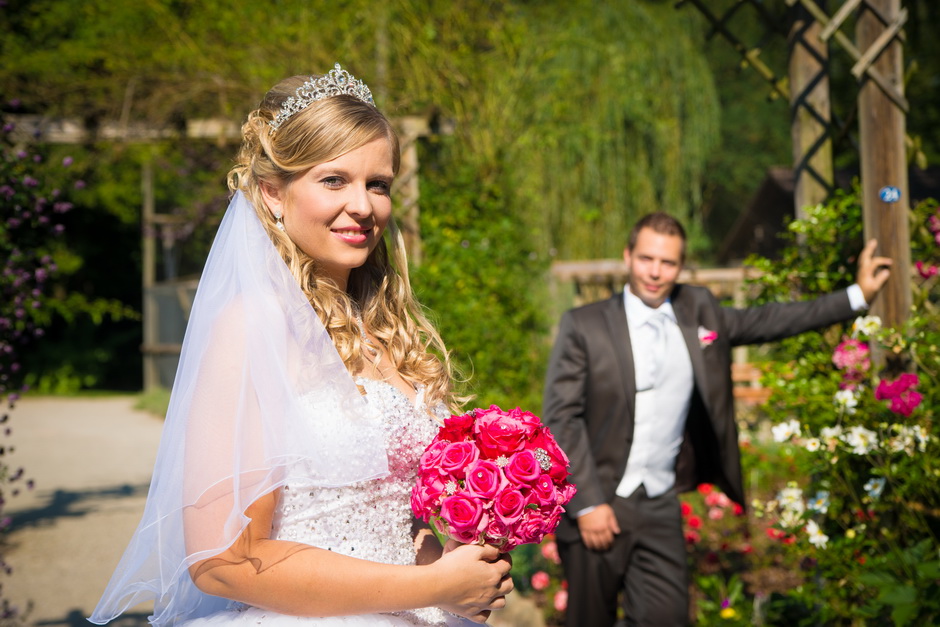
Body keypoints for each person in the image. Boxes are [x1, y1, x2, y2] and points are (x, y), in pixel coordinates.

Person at [90, 64, 512, 627]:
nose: (363, 206)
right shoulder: (251, 327)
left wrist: (462, 573)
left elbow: (393, 520)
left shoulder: (388, 328)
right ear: (272, 193)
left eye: (378, 184)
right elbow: (221, 561)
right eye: (334, 180)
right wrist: (428, 585)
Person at [542, 211, 891, 626]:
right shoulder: (584, 324)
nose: (655, 272)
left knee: (669, 618)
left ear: (681, 266)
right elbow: (561, 416)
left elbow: (769, 320)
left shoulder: (699, 311)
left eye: (668, 263)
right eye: (646, 259)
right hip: (598, 502)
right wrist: (588, 504)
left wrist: (857, 295)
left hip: (658, 503)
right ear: (628, 256)